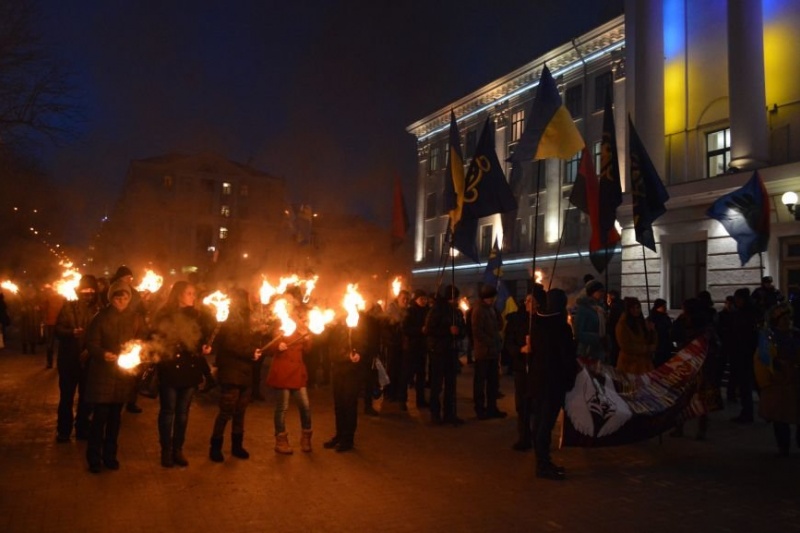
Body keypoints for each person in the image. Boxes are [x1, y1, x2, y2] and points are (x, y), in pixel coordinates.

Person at [83, 279, 144, 473]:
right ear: (111, 298)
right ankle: (94, 458)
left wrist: (138, 352)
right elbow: (91, 343)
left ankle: (110, 455)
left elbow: (140, 340)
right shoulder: (100, 318)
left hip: (122, 376)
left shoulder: (134, 318)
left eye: (125, 297)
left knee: (115, 419)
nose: (122, 300)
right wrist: (103, 354)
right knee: (100, 417)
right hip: (103, 374)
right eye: (118, 297)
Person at [151, 280, 214, 468]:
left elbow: (200, 338)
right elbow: (155, 339)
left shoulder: (197, 315)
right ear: (178, 294)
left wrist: (204, 346)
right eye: (189, 293)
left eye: (194, 293)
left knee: (183, 414)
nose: (193, 297)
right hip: (170, 368)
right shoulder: (164, 315)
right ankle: (166, 450)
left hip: (190, 369)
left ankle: (178, 449)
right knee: (168, 411)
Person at [529, 289, 577, 480]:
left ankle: (541, 460)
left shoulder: (538, 323)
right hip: (553, 381)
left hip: (537, 379)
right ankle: (543, 464)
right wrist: (570, 378)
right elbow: (566, 356)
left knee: (539, 421)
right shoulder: (560, 326)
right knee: (545, 424)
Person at [209, 289, 262, 462]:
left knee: (241, 411)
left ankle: (237, 445)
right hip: (232, 371)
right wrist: (250, 352)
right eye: (247, 298)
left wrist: (257, 346)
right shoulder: (230, 319)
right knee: (226, 410)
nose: (251, 300)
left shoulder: (249, 318)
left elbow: (252, 341)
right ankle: (215, 447)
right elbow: (232, 344)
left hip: (245, 371)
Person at [54, 275, 101, 443]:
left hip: (89, 360)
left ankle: (82, 428)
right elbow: (58, 330)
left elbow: (101, 335)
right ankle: (63, 430)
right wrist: (71, 333)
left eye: (91, 292)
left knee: (86, 397)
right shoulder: (69, 306)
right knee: (66, 397)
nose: (88, 295)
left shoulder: (98, 309)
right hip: (69, 359)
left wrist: (90, 349)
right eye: (85, 292)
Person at [505, 285, 546, 451]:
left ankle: (539, 437)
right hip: (522, 367)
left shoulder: (544, 319)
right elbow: (508, 343)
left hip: (539, 368)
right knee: (522, 405)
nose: (528, 303)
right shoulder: (516, 319)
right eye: (527, 300)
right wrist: (521, 349)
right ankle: (524, 437)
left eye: (532, 301)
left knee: (538, 405)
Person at [756, 303, 800, 456]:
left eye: (788, 318)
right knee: (780, 418)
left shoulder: (795, 335)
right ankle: (783, 446)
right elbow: (763, 359)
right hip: (778, 383)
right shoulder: (769, 337)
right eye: (783, 318)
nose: (787, 321)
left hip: (794, 382)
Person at [266, 324, 313, 455]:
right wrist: (278, 346)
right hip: (283, 371)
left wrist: (308, 338)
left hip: (298, 371)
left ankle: (306, 439)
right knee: (282, 407)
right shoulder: (282, 324)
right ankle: (281, 441)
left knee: (305, 406)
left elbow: (308, 350)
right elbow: (270, 347)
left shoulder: (303, 328)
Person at [424, 284, 465, 426]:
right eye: (454, 298)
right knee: (437, 384)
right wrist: (447, 330)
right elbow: (429, 329)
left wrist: (458, 331)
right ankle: (435, 414)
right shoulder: (437, 310)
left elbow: (464, 329)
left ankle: (450, 414)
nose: (456, 300)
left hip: (452, 351)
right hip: (439, 351)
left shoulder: (457, 312)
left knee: (451, 384)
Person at [323, 320, 366, 452]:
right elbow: (324, 340)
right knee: (339, 404)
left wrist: (359, 353)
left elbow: (364, 341)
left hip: (351, 370)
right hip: (337, 367)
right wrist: (325, 327)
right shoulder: (334, 323)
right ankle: (339, 435)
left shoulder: (357, 320)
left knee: (349, 404)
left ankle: (348, 439)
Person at [111, 266, 147, 414]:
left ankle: (130, 400)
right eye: (127, 277)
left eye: (130, 278)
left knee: (134, 372)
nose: (129, 280)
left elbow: (141, 310)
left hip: (134, 333)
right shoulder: (113, 290)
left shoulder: (134, 292)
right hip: (118, 338)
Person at [471, 284, 506, 420]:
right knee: (480, 382)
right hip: (483, 352)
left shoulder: (491, 309)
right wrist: (490, 342)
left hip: (493, 351)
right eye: (490, 298)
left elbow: (499, 325)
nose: (492, 300)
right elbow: (477, 331)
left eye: (493, 298)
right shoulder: (479, 310)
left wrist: (497, 312)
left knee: (493, 382)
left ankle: (492, 407)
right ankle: (480, 409)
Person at [727, 288, 760, 423]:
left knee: (746, 385)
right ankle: (764, 411)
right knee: (752, 384)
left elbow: (741, 334)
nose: (736, 302)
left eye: (737, 299)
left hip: (745, 353)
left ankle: (748, 413)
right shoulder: (749, 312)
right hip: (747, 353)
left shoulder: (745, 314)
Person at [401, 288, 430, 410]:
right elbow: (405, 329)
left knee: (421, 375)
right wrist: (419, 330)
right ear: (416, 299)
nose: (423, 301)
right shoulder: (410, 311)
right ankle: (402, 400)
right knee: (407, 375)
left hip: (423, 348)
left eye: (425, 299)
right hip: (412, 348)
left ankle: (421, 400)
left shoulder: (428, 311)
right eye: (421, 299)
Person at [615, 297, 657, 375]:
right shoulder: (622, 325)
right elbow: (626, 346)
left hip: (644, 364)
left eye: (638, 307)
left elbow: (650, 340)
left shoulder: (642, 322)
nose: (636, 310)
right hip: (629, 366)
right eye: (633, 308)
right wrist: (646, 349)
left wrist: (652, 331)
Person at [383, 290, 409, 403]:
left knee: (402, 370)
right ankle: (389, 393)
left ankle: (399, 394)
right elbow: (385, 327)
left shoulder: (407, 311)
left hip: (404, 345)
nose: (405, 300)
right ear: (398, 298)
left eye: (407, 299)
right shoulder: (391, 311)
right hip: (393, 344)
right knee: (392, 370)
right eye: (403, 298)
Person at [574, 280, 608, 363]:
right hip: (587, 350)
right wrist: (597, 337)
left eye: (603, 291)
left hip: (599, 348)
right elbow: (578, 332)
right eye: (600, 291)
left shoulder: (599, 308)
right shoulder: (583, 309)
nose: (602, 294)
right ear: (592, 292)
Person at [41, 285, 65, 369]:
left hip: (53, 323)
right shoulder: (63, 297)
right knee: (60, 344)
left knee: (51, 344)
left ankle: (50, 363)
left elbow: (43, 309)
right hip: (56, 323)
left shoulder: (50, 298)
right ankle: (58, 363)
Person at [648, 298, 674, 368]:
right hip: (658, 344)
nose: (665, 308)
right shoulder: (653, 318)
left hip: (666, 343)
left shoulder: (665, 317)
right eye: (663, 306)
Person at [606, 289, 624, 367]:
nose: (607, 299)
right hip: (620, 333)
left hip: (614, 334)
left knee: (615, 353)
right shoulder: (621, 305)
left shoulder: (614, 307)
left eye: (608, 297)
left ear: (612, 297)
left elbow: (611, 322)